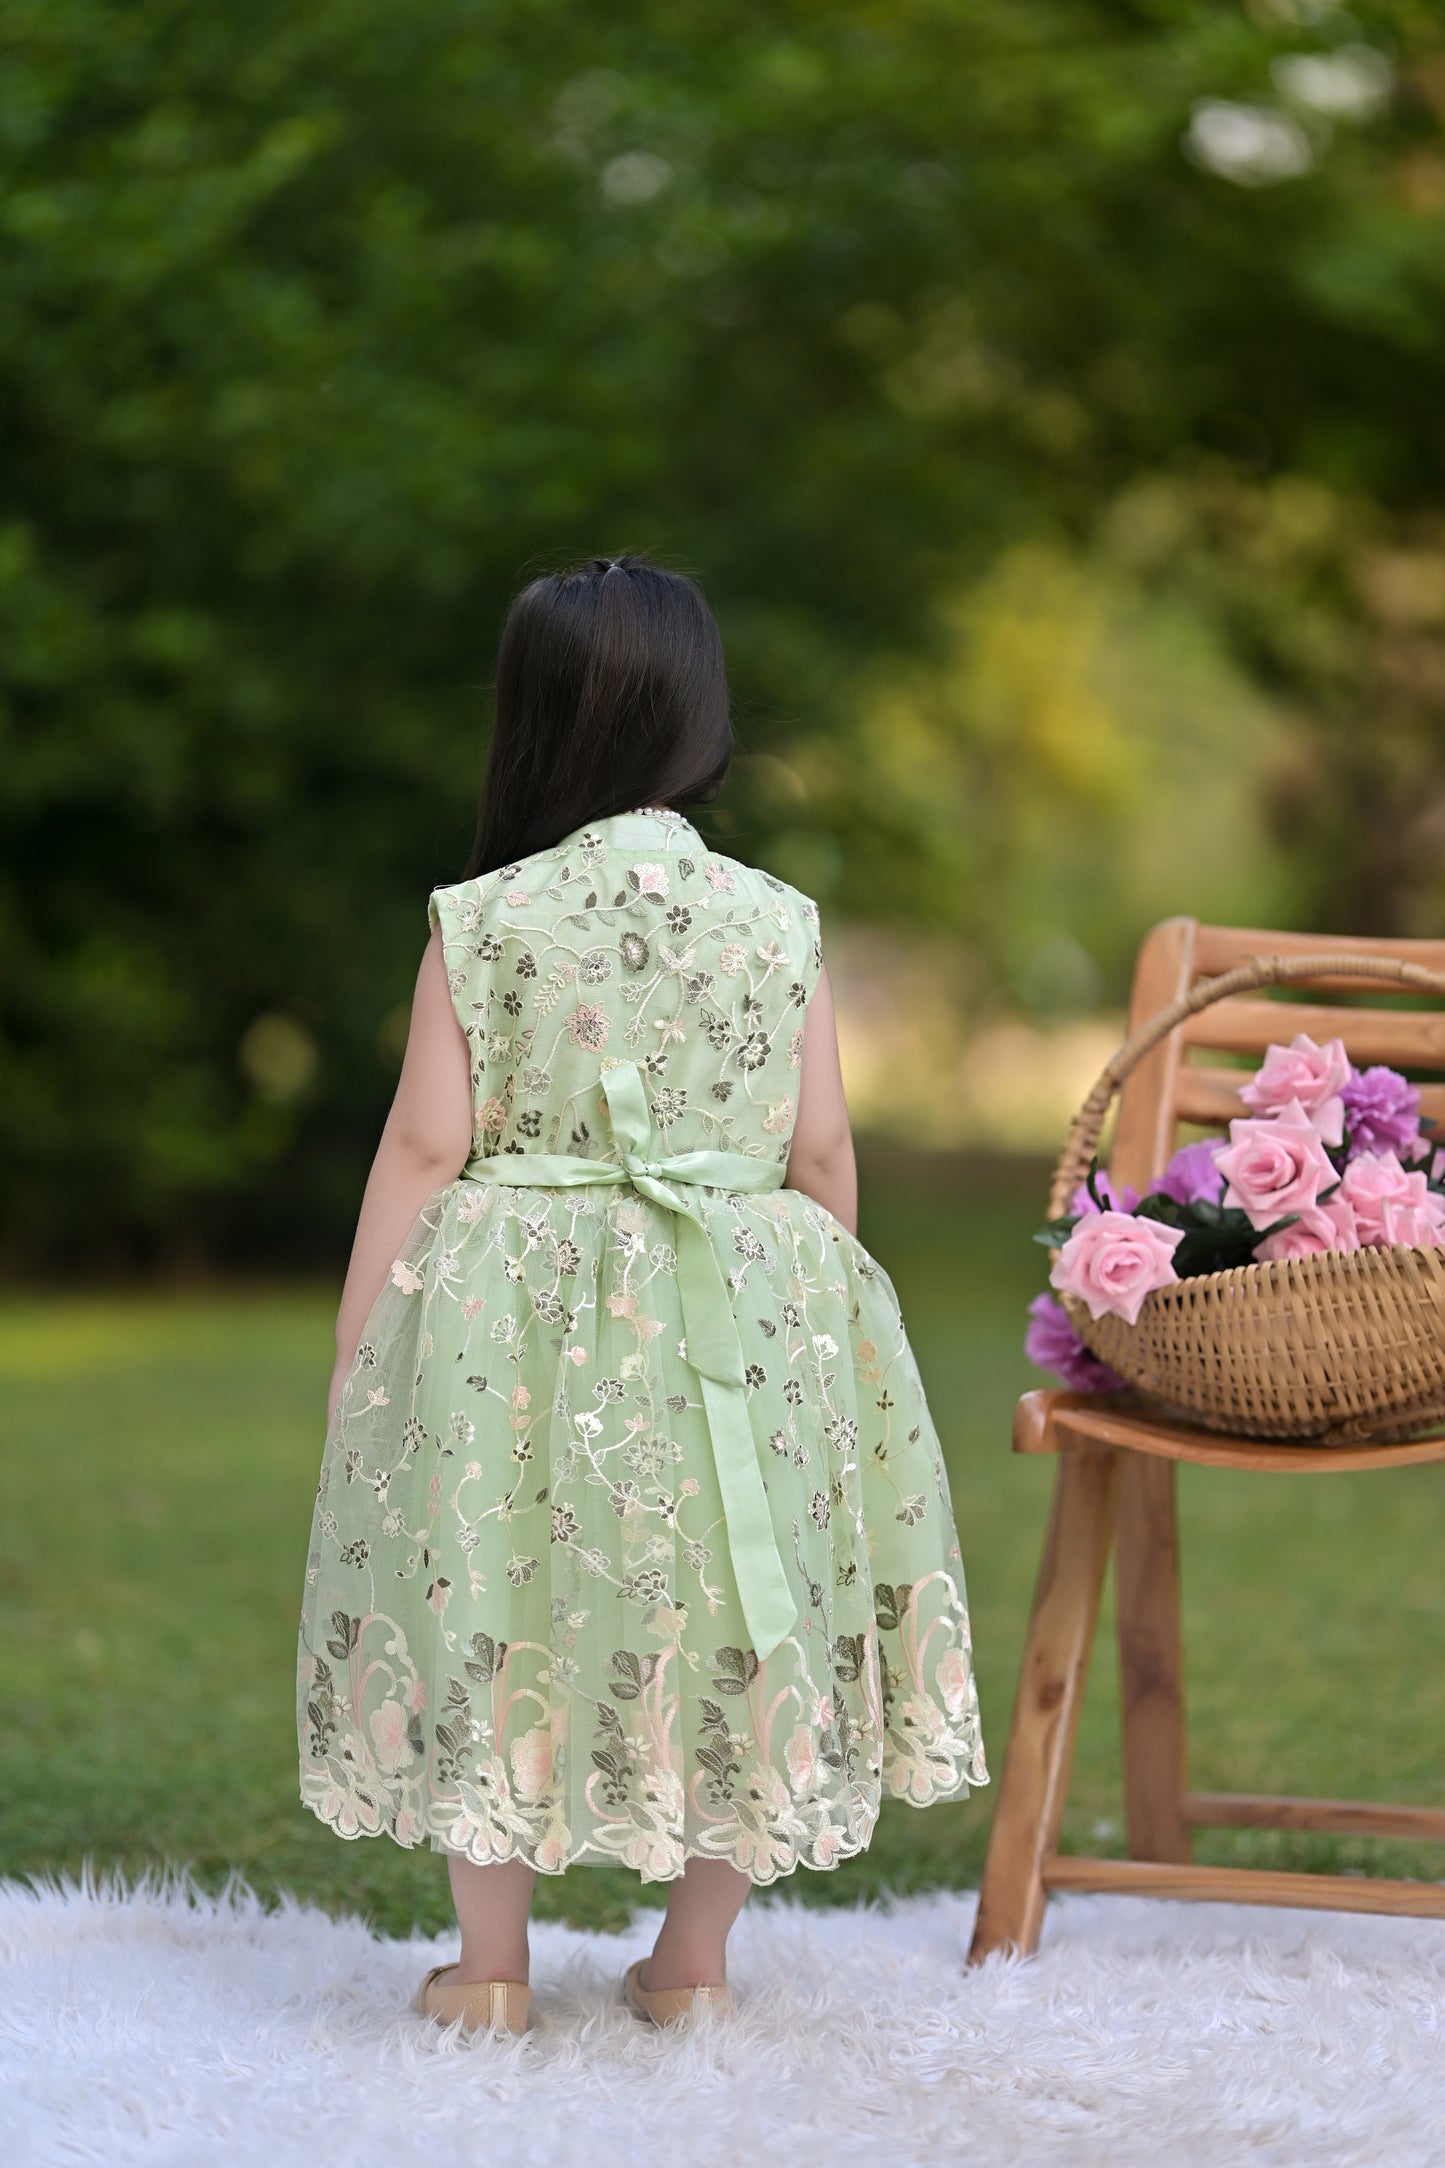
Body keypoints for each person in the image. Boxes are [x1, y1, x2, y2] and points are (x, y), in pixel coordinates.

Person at [296, 552, 987, 2037]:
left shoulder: (484, 920)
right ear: (704, 722)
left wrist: (368, 1351)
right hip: (742, 1310)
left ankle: (489, 1974)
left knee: (496, 1585)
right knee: (738, 1603)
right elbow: (817, 1149)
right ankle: (691, 1965)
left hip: (512, 1322)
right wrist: (820, 1327)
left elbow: (427, 1143)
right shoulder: (776, 921)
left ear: (533, 721)